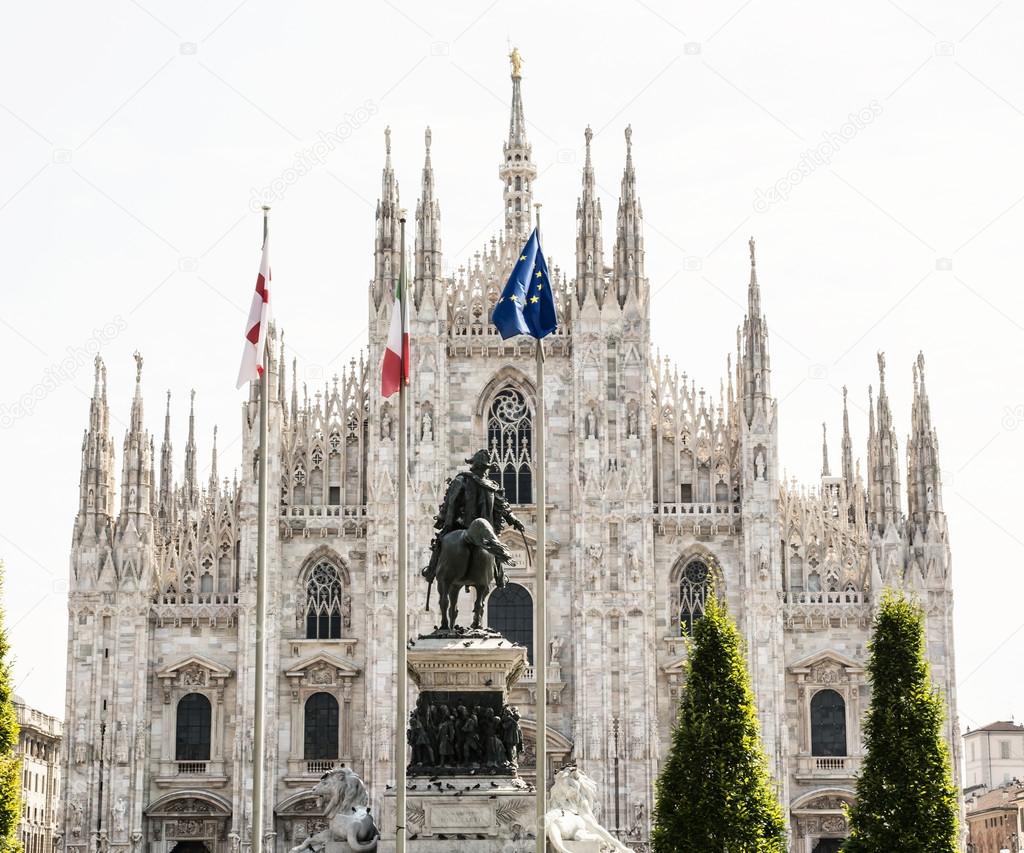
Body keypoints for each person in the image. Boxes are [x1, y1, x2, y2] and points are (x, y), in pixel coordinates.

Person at [422, 449, 525, 589]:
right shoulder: (468, 482)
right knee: (493, 544)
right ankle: (500, 577)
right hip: (476, 526)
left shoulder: (484, 485)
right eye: (483, 467)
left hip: (462, 526)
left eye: (485, 468)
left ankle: (431, 570)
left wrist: (443, 520)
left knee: (441, 542)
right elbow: (452, 502)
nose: (484, 471)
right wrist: (513, 520)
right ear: (476, 466)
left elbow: (450, 503)